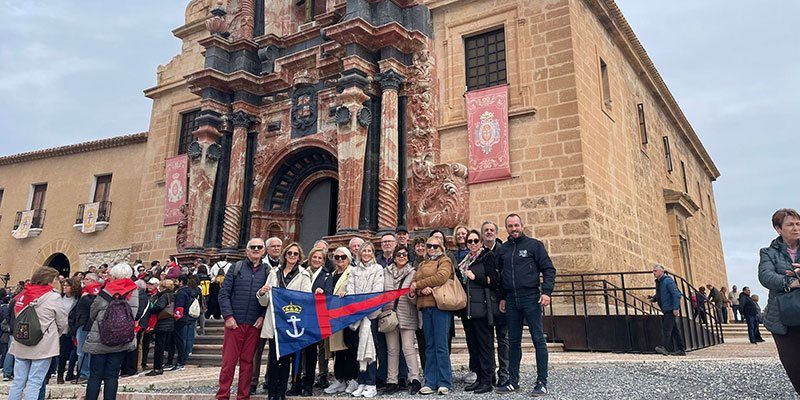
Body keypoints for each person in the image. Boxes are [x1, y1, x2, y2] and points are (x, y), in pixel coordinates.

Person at [495, 214, 555, 396]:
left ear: (522, 226)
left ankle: (542, 382)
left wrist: (546, 292)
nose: (513, 229)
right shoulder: (503, 250)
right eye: (510, 226)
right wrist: (503, 297)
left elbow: (549, 269)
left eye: (516, 225)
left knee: (538, 340)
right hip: (512, 300)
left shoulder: (534, 246)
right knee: (513, 342)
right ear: (506, 228)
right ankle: (513, 381)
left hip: (531, 298)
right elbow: (500, 275)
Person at [256, 242, 313, 399]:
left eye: (295, 254)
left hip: (291, 322)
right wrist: (262, 293)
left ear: (299, 257)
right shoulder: (274, 273)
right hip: (275, 321)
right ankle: (271, 392)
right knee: (274, 358)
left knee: (286, 358)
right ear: (285, 255)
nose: (292, 256)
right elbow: (265, 301)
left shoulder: (304, 274)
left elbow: (306, 298)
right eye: (290, 253)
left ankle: (281, 393)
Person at [217, 238, 269, 400]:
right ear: (247, 251)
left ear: (263, 251)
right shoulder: (236, 268)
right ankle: (223, 395)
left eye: (259, 247)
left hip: (254, 323)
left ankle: (243, 396)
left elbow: (270, 298)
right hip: (235, 323)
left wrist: (262, 317)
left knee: (248, 363)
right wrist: (228, 316)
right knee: (229, 362)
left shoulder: (267, 271)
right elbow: (224, 294)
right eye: (252, 247)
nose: (256, 249)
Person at [8, 267, 67, 400]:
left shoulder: (24, 294)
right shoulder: (53, 297)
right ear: (50, 280)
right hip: (43, 343)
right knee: (35, 382)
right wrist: (55, 334)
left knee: (18, 381)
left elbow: (17, 315)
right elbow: (62, 321)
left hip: (22, 340)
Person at [759, 208, 800, 394]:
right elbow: (766, 276)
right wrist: (791, 282)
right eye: (790, 225)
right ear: (778, 228)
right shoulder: (768, 252)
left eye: (798, 224)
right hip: (782, 316)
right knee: (793, 363)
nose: (796, 228)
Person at [83, 263, 139, 400]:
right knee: (112, 376)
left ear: (114, 276)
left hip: (101, 337)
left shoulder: (107, 289)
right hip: (121, 337)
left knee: (95, 376)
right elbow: (133, 313)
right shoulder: (134, 290)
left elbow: (93, 311)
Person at [410, 235, 454, 395]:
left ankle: (444, 382)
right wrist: (421, 290)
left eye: (435, 246)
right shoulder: (422, 264)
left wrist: (420, 284)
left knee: (441, 345)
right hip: (425, 306)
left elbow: (441, 276)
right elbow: (412, 284)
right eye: (429, 246)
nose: (432, 249)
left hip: (439, 305)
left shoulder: (445, 260)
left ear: (441, 247)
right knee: (429, 345)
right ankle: (430, 381)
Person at [456, 230, 499, 394]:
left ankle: (487, 380)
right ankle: (480, 378)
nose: (473, 244)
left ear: (481, 242)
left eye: (475, 241)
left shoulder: (487, 256)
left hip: (482, 307)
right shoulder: (466, 260)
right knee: (474, 345)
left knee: (485, 345)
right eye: (470, 241)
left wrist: (475, 277)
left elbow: (493, 280)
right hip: (469, 308)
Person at [343, 241, 384, 398]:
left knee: (370, 348)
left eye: (369, 251)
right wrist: (356, 309)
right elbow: (350, 290)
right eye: (364, 251)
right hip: (357, 316)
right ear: (360, 253)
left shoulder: (378, 269)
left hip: (370, 315)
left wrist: (365, 308)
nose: (366, 253)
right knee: (358, 348)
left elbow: (377, 291)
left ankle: (371, 383)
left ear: (373, 253)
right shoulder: (354, 271)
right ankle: (361, 381)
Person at [382, 246, 421, 395]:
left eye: (405, 254)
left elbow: (416, 299)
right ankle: (392, 381)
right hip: (389, 315)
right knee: (392, 349)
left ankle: (415, 379)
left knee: (408, 348)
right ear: (394, 256)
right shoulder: (385, 272)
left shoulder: (413, 273)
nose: (402, 256)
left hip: (407, 314)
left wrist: (411, 294)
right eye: (398, 254)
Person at [324, 248, 357, 395]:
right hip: (334, 316)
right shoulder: (331, 275)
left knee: (349, 348)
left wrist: (348, 294)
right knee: (337, 350)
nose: (340, 259)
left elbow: (357, 290)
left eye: (343, 257)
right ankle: (340, 379)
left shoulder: (353, 272)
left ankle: (351, 379)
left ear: (348, 258)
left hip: (347, 316)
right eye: (337, 257)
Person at [481, 220, 508, 387]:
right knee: (487, 340)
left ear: (496, 233)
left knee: (503, 338)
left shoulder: (503, 251)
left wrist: (504, 297)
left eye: (491, 230)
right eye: (486, 230)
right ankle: (489, 373)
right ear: (482, 233)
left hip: (500, 300)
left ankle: (504, 373)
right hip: (485, 302)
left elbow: (506, 276)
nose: (489, 232)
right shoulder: (479, 253)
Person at [649, 264, 685, 357]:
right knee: (674, 330)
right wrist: (654, 298)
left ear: (662, 271)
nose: (654, 273)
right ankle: (681, 349)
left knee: (666, 329)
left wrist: (675, 308)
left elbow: (676, 294)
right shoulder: (659, 282)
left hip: (670, 309)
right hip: (666, 309)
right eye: (653, 271)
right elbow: (660, 294)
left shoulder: (668, 281)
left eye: (655, 271)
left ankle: (664, 347)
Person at [74, 273, 101, 383]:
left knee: (83, 351)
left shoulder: (94, 291)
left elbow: (93, 306)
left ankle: (84, 374)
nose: (84, 281)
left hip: (86, 324)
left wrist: (85, 298)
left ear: (93, 281)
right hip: (82, 323)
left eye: (86, 279)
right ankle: (82, 373)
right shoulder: (86, 291)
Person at [146, 279, 175, 376]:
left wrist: (152, 309)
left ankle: (157, 367)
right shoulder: (171, 295)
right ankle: (161, 365)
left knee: (159, 346)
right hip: (169, 322)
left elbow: (159, 307)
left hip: (162, 323)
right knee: (164, 345)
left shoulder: (164, 295)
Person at [172, 275, 199, 371]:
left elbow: (179, 307)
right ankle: (186, 356)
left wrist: (177, 319)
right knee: (189, 338)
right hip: (191, 316)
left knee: (182, 339)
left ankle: (181, 360)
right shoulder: (192, 292)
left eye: (177, 281)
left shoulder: (181, 293)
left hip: (183, 318)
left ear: (181, 282)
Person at [57, 277, 81, 384]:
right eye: (64, 285)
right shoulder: (60, 298)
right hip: (59, 329)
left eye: (67, 285)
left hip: (70, 329)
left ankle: (65, 374)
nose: (64, 287)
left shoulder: (77, 299)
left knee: (68, 353)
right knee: (58, 354)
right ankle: (55, 374)